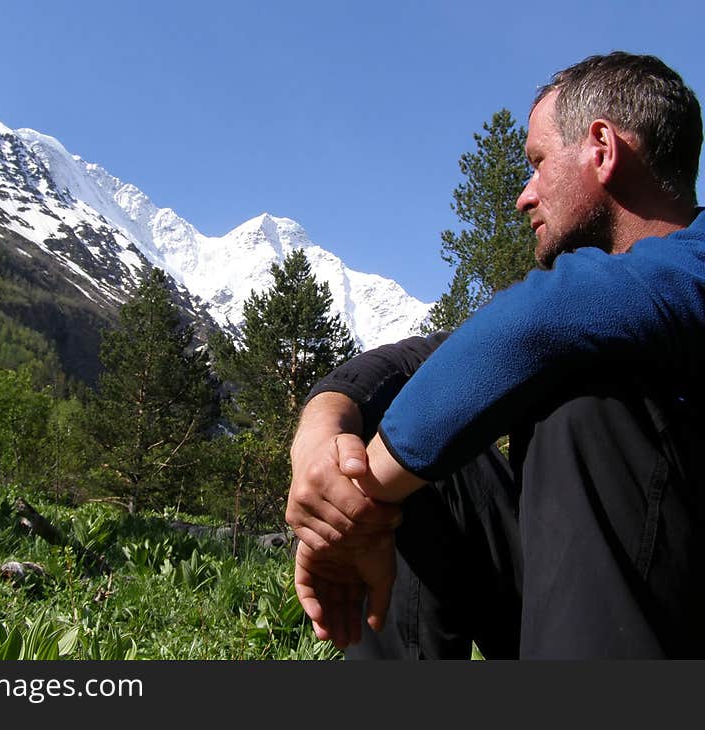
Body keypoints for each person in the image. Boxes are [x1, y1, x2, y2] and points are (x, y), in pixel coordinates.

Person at [285, 51, 705, 659]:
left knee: (584, 390)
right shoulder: (589, 305)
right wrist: (323, 427)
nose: (523, 196)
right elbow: (426, 363)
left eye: (537, 163)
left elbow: (538, 325)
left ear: (601, 149)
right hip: (578, 612)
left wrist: (354, 507)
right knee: (428, 416)